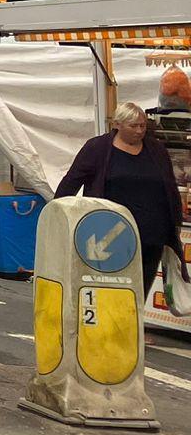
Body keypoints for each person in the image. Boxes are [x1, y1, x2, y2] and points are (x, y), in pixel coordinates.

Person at [56, 101, 185, 301]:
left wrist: (175, 222)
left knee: (140, 291)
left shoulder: (156, 149)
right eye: (133, 126)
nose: (140, 131)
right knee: (111, 292)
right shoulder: (97, 148)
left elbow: (169, 187)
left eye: (143, 125)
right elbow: (71, 181)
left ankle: (132, 329)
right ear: (117, 124)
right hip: (110, 237)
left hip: (151, 236)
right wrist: (58, 214)